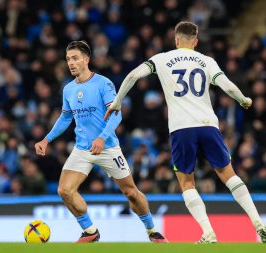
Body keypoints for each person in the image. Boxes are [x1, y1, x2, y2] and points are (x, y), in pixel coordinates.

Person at [105, 21, 266, 244]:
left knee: (186, 183)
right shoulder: (206, 60)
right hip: (208, 125)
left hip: (181, 128)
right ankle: (259, 223)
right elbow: (228, 86)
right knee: (229, 175)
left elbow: (133, 76)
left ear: (176, 40)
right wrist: (243, 99)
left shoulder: (162, 58)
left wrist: (117, 102)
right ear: (195, 42)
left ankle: (208, 233)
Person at [34, 40, 167, 243]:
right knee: (65, 190)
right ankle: (90, 231)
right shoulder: (68, 89)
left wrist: (102, 138)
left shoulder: (103, 83)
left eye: (75, 58)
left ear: (87, 59)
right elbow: (65, 117)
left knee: (131, 193)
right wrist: (46, 139)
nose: (71, 62)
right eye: (68, 59)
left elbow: (116, 115)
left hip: (108, 147)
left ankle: (152, 230)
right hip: (82, 149)